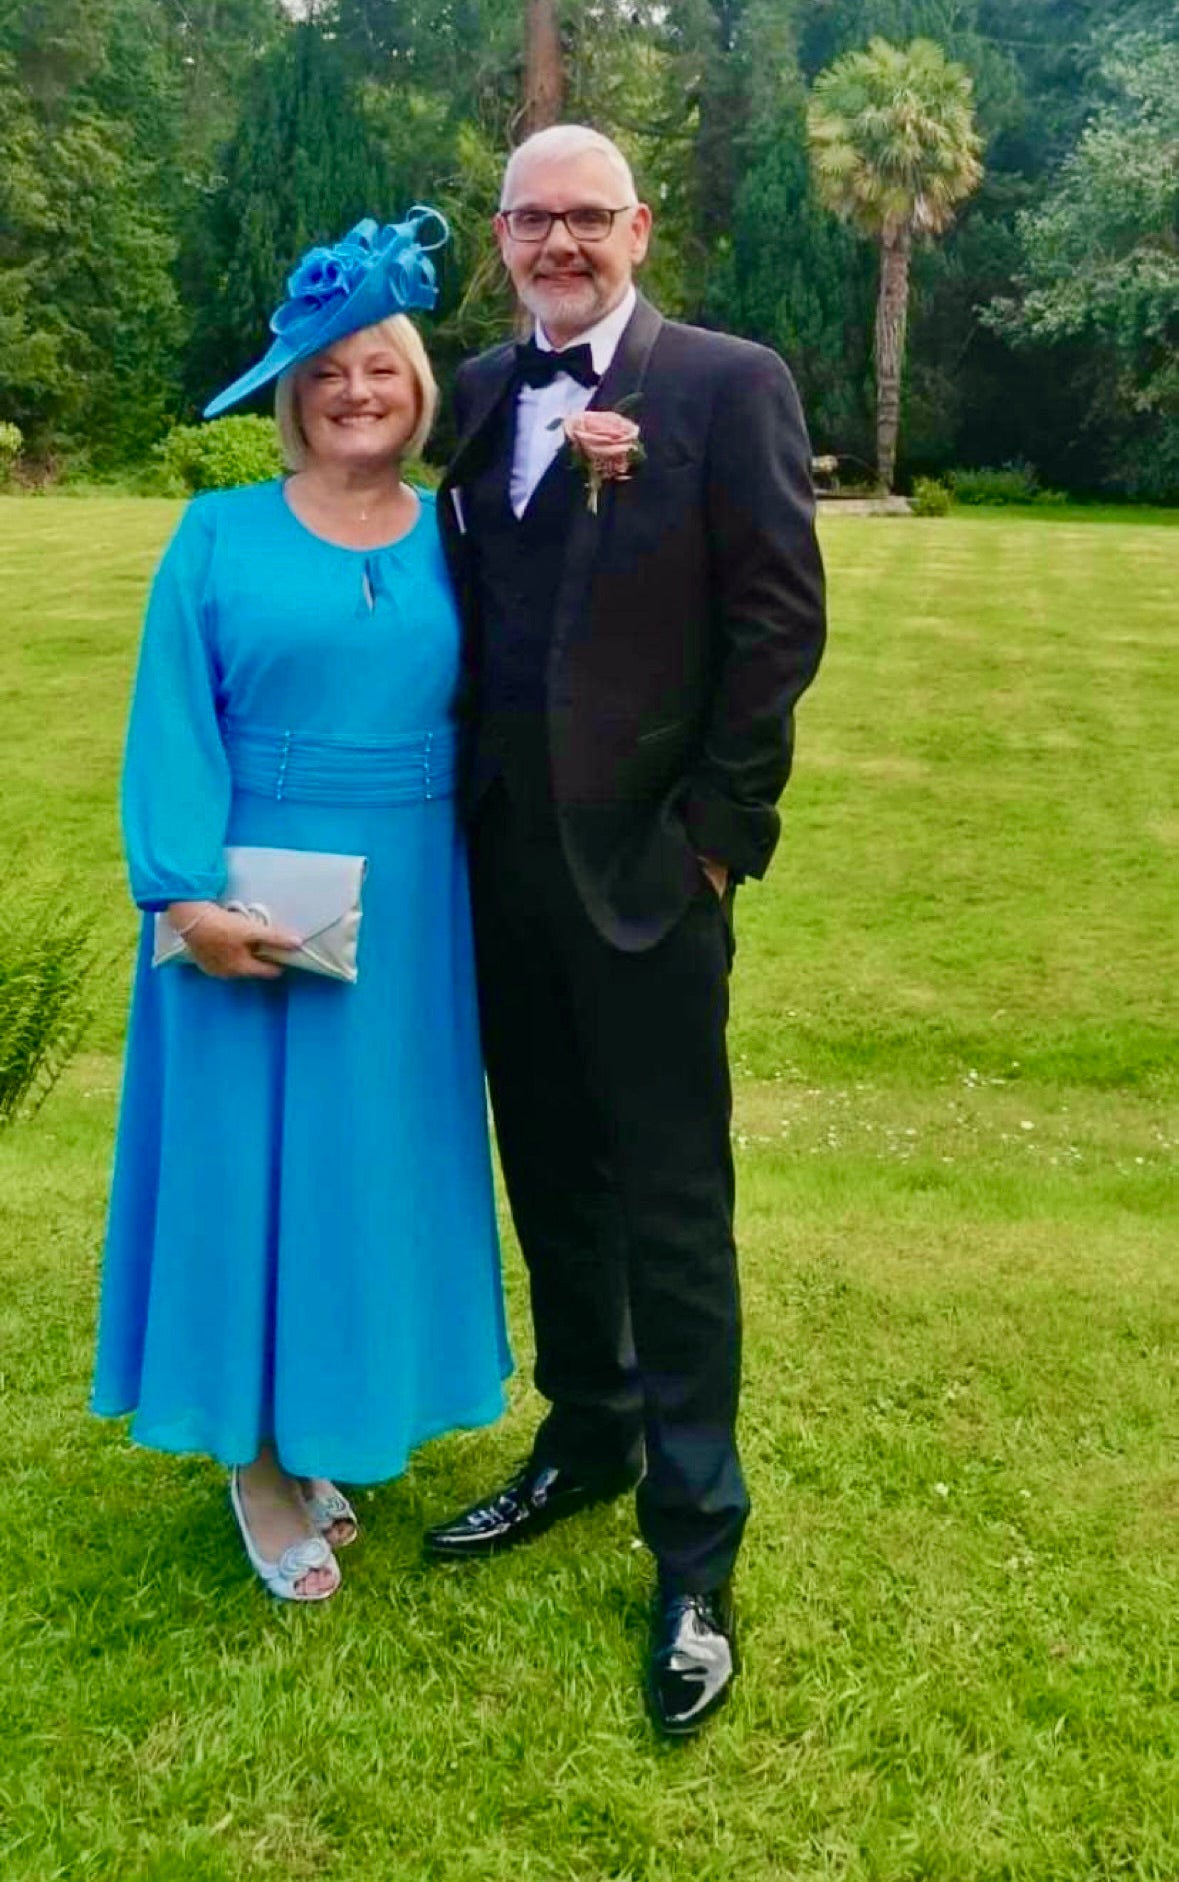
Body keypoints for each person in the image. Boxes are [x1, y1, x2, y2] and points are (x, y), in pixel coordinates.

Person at [426, 127, 826, 1732]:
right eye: (533, 219)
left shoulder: (728, 385)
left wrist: (719, 843)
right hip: (496, 870)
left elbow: (778, 620)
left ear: (638, 227)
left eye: (588, 217)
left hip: (654, 881)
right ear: (502, 237)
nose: (561, 243)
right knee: (549, 1173)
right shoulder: (474, 392)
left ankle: (696, 1546)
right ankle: (586, 1432)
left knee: (671, 1205)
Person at [92, 212, 510, 1603]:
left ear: (418, 385)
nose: (354, 390)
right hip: (250, 905)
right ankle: (257, 1462)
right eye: (325, 370)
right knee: (251, 1163)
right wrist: (185, 900)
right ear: (292, 394)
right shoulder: (216, 533)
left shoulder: (459, 537)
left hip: (417, 907)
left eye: (379, 365)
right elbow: (169, 720)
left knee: (364, 1163)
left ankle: (328, 1417)